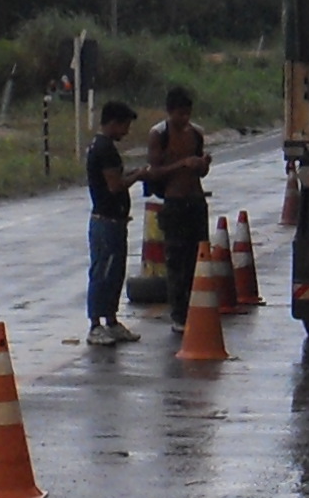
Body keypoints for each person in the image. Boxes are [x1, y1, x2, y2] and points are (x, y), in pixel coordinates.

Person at [145, 83, 213, 317]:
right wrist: (182, 164)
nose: (184, 119)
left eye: (187, 114)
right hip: (174, 203)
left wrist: (202, 164)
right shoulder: (159, 135)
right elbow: (154, 172)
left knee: (199, 256)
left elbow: (201, 172)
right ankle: (179, 311)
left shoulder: (196, 134)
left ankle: (198, 307)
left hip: (196, 201)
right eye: (180, 114)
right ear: (169, 111)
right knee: (176, 260)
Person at [81, 96, 141, 344]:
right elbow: (115, 185)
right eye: (125, 125)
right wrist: (138, 176)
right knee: (103, 273)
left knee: (115, 273)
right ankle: (96, 324)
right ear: (114, 123)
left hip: (114, 220)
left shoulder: (101, 146)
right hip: (106, 221)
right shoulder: (105, 149)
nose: (126, 131)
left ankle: (111, 320)